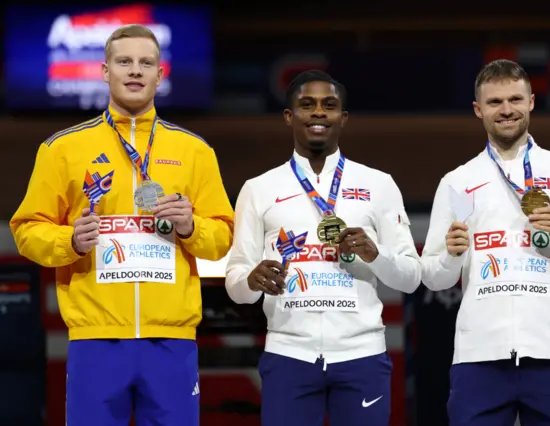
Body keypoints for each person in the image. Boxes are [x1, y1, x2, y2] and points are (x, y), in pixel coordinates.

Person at [10, 24, 234, 425]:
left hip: (171, 339)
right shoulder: (63, 149)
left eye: (146, 62)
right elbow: (27, 230)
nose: (135, 70)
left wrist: (191, 228)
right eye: (124, 61)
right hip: (95, 339)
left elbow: (222, 238)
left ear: (159, 75)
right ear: (105, 71)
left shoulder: (195, 151)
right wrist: (70, 241)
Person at [420, 59, 550, 426]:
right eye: (495, 102)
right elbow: (434, 278)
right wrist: (451, 256)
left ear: (530, 102)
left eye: (515, 99)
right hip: (478, 358)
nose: (507, 109)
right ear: (478, 110)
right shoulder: (457, 181)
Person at [225, 69, 421, 426]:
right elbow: (237, 285)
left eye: (329, 105)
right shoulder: (258, 188)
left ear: (342, 118)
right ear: (289, 116)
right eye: (307, 105)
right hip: (288, 354)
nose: (318, 112)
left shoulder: (379, 184)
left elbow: (410, 278)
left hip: (361, 355)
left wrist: (374, 254)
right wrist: (251, 280)